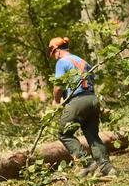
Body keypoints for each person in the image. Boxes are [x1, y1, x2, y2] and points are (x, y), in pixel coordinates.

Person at [47, 37, 114, 177]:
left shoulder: (61, 61)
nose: (54, 57)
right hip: (92, 99)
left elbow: (58, 85)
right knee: (92, 135)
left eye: (53, 54)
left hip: (79, 100)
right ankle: (106, 167)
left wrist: (56, 100)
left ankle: (87, 163)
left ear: (57, 51)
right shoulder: (82, 61)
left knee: (63, 133)